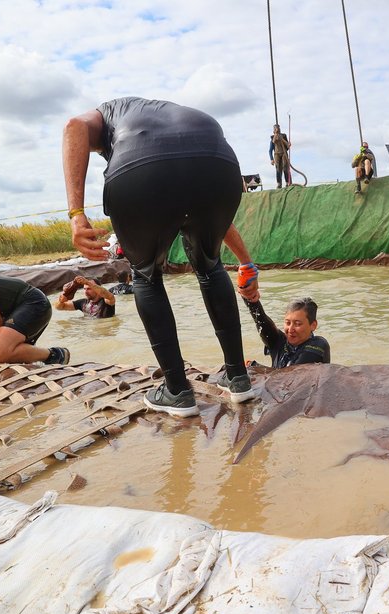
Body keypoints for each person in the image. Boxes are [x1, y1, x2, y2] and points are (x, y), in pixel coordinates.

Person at [62, 96, 258, 417]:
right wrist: (247, 263)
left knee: (146, 276)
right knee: (210, 265)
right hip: (219, 163)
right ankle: (238, 378)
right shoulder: (167, 117)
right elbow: (216, 219)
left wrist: (76, 214)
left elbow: (74, 127)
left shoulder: (107, 116)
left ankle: (177, 391)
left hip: (142, 171)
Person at [244, 296, 330, 368]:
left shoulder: (319, 345)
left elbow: (289, 375)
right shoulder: (280, 342)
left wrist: (253, 366)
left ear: (313, 325)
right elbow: (261, 321)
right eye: (288, 323)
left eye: (297, 324)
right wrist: (251, 298)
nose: (290, 329)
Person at [269, 124, 291, 188]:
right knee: (278, 168)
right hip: (277, 154)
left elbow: (287, 145)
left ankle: (287, 182)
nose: (277, 129)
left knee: (285, 167)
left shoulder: (284, 136)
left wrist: (282, 140)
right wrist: (271, 159)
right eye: (275, 129)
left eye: (278, 128)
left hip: (284, 153)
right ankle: (279, 183)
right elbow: (270, 149)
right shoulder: (272, 138)